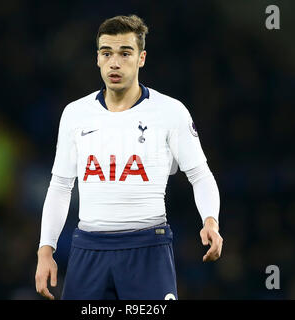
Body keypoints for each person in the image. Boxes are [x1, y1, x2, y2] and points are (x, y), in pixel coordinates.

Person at [35, 14, 222, 300]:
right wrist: (45, 249)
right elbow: (61, 186)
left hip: (147, 248)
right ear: (97, 58)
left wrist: (210, 220)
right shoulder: (75, 114)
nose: (114, 62)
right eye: (106, 53)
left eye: (125, 53)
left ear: (141, 58)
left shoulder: (170, 112)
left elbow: (200, 175)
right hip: (89, 249)